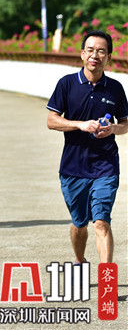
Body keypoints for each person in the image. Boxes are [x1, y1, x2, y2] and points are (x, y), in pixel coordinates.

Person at [46, 30, 127, 264]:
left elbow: (125, 124)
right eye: (90, 50)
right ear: (82, 54)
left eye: (101, 51)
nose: (95, 55)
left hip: (105, 166)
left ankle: (107, 281)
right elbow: (51, 120)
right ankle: (80, 261)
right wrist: (79, 125)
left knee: (101, 222)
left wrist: (113, 129)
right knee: (80, 223)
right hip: (73, 167)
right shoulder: (67, 84)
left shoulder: (115, 88)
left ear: (108, 57)